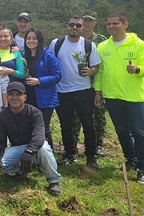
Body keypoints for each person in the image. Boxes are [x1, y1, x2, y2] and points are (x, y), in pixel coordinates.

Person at [94, 13, 144, 183]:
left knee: (139, 133)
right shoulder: (103, 46)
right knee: (122, 131)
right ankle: (131, 160)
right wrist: (98, 91)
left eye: (115, 23)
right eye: (109, 24)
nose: (111, 26)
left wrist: (138, 69)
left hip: (134, 97)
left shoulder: (138, 44)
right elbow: (100, 72)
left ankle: (142, 168)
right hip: (112, 96)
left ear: (125, 24)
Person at [0, 82, 62, 196]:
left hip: (35, 147)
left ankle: (53, 181)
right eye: (11, 94)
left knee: (44, 148)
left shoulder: (35, 113)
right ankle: (22, 169)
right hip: (18, 149)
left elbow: (39, 136)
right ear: (7, 97)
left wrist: (29, 152)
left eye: (18, 94)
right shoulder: (1, 115)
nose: (14, 97)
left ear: (25, 97)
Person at [49, 15, 101, 169]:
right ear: (67, 25)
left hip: (83, 90)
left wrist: (91, 71)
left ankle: (91, 156)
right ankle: (70, 153)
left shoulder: (88, 45)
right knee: (66, 125)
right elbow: (50, 62)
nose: (74, 28)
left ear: (83, 27)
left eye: (78, 25)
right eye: (72, 24)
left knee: (88, 125)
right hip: (62, 90)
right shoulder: (56, 44)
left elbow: (96, 67)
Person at [23, 28, 61, 149]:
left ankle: (49, 157)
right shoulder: (25, 57)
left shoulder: (48, 57)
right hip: (29, 97)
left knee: (43, 128)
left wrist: (39, 81)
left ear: (40, 41)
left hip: (45, 99)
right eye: (28, 38)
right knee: (30, 127)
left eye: (34, 38)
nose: (31, 41)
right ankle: (34, 156)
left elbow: (57, 76)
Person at [78, 10, 108, 157]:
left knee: (99, 115)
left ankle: (99, 144)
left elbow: (103, 65)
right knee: (75, 116)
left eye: (90, 20)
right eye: (85, 20)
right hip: (77, 84)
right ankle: (73, 143)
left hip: (96, 83)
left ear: (95, 22)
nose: (87, 23)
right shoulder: (74, 38)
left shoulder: (101, 41)